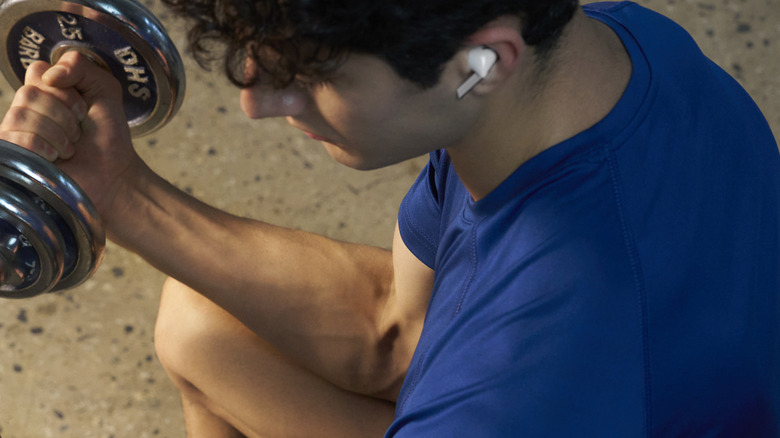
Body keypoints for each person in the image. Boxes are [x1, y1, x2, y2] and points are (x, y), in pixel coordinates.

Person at [1, 0, 778, 436]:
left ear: (483, 63)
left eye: (308, 76)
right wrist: (119, 191)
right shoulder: (598, 52)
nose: (258, 103)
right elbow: (396, 331)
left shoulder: (521, 384)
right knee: (203, 326)